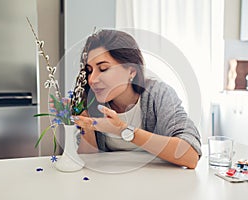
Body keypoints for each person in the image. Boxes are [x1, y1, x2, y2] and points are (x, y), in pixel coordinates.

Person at [72, 29, 201, 169]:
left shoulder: (159, 95)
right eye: (89, 71)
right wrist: (87, 125)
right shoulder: (91, 101)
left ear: (132, 71)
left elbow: (190, 156)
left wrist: (123, 130)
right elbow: (89, 162)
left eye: (103, 69)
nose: (92, 79)